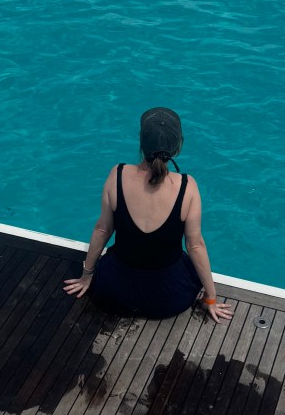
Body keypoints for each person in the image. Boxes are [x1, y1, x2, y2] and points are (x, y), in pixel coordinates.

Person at [64, 108, 232, 323]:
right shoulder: (186, 187)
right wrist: (211, 298)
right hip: (169, 298)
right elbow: (195, 245)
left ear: (141, 143)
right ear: (178, 145)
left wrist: (87, 276)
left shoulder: (118, 174)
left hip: (114, 292)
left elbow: (102, 230)